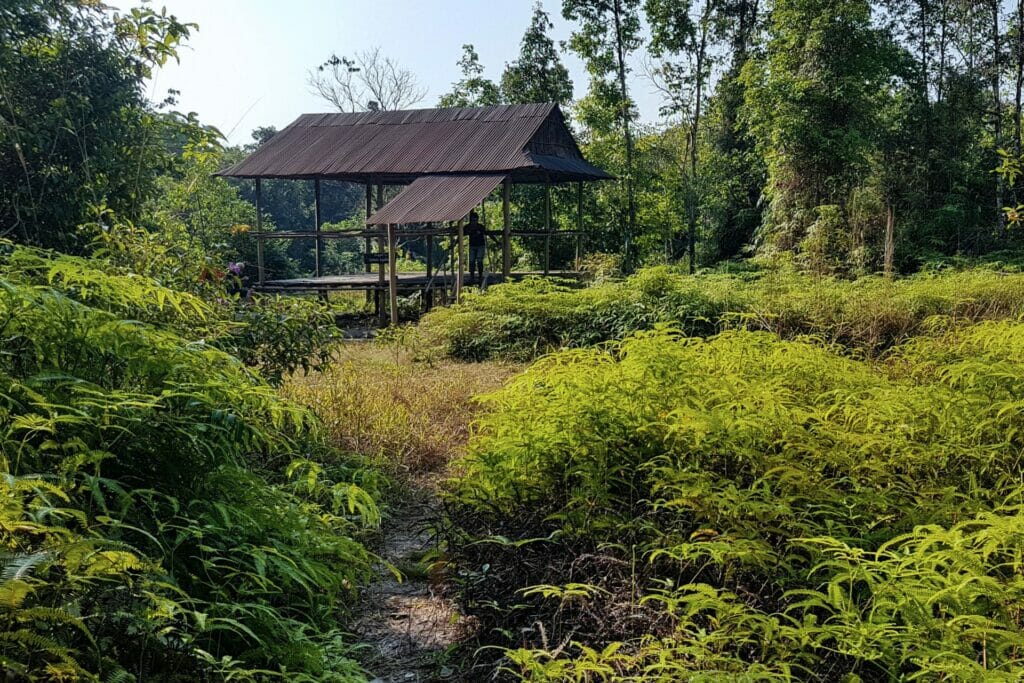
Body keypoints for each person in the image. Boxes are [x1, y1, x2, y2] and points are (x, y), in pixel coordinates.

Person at [465, 210, 486, 284]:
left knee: (479, 261)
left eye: (476, 220)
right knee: (471, 261)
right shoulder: (467, 227)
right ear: (471, 220)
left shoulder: (480, 227)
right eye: (473, 220)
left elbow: (488, 233)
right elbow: (461, 233)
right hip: (472, 246)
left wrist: (496, 241)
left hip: (480, 245)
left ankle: (480, 276)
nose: (474, 222)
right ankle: (472, 276)